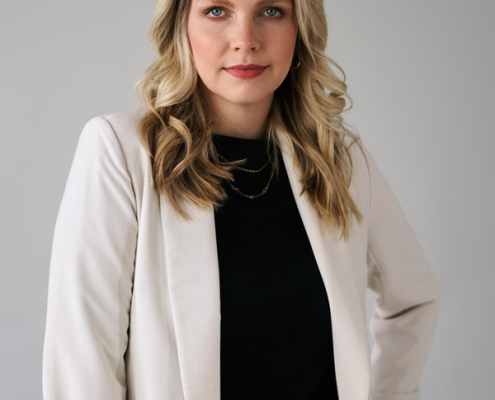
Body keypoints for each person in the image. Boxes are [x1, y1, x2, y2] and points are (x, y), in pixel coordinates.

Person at [42, 0, 442, 399]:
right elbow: (83, 355)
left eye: (271, 11)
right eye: (217, 11)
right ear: (181, 26)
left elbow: (414, 298)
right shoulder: (121, 152)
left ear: (300, 29)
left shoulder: (340, 163)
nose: (245, 40)